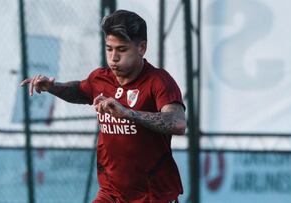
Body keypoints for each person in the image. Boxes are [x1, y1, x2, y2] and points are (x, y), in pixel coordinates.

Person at [21, 10, 186, 203]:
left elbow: (177, 123)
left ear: (142, 48)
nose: (114, 57)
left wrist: (128, 113)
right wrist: (52, 87)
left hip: (153, 196)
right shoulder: (100, 78)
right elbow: (80, 91)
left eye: (122, 50)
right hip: (111, 194)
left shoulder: (158, 81)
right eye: (109, 49)